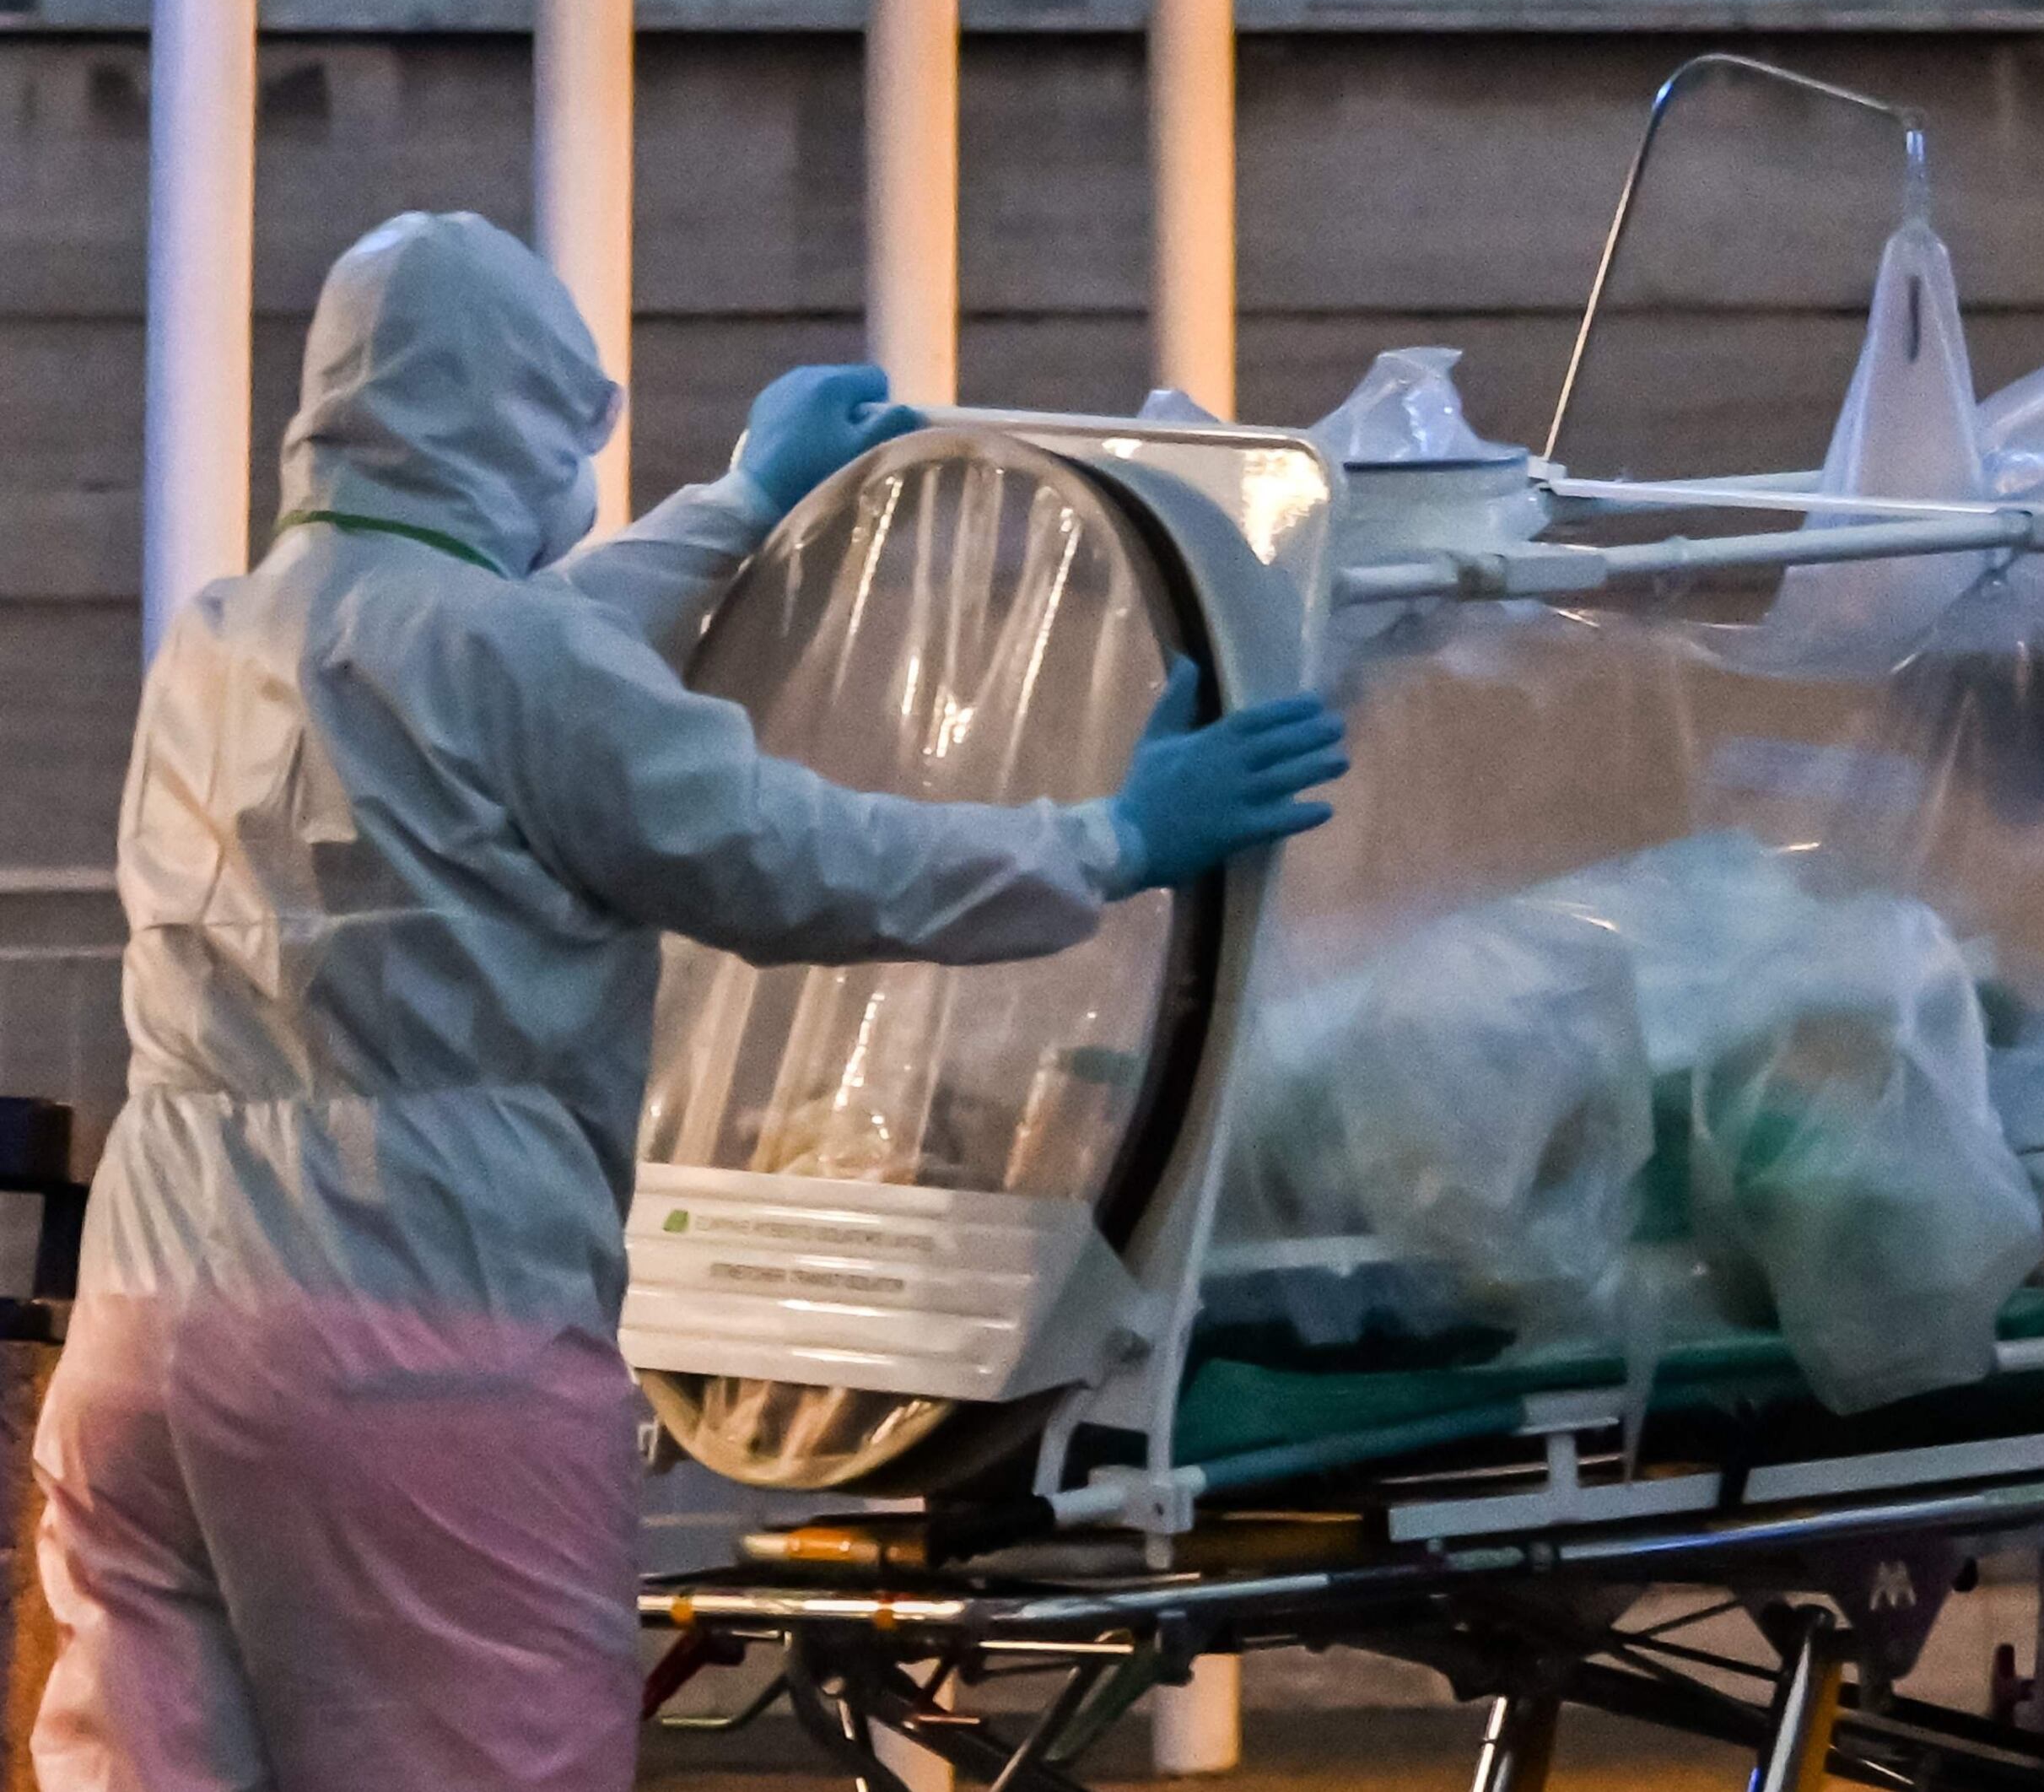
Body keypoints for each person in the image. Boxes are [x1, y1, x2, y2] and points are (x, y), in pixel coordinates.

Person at [32, 212, 1354, 1792]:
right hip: (415, 1334)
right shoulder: (507, 664)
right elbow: (791, 857)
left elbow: (514, 671)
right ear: (521, 418)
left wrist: (737, 503)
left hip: (147, 1330)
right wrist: (1113, 837)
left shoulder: (224, 636)